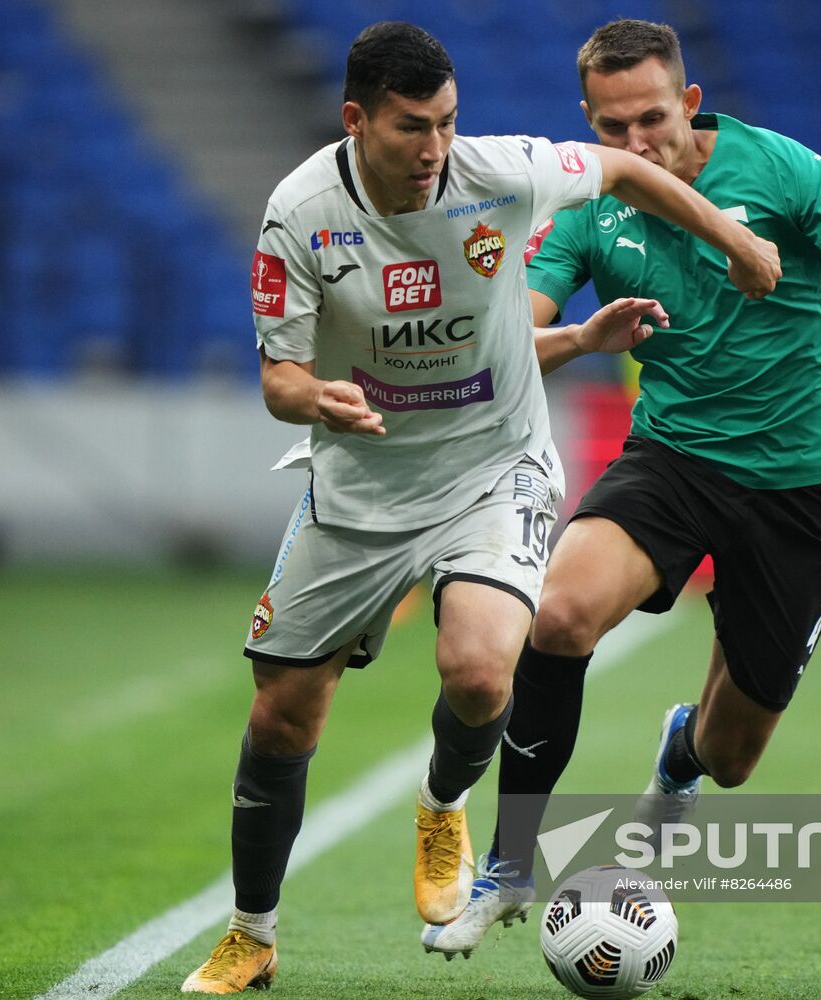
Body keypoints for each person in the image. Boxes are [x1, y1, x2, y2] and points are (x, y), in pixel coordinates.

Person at [421, 18, 821, 957]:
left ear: (688, 103)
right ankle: (510, 861)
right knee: (557, 614)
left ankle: (678, 753)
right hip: (674, 460)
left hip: (807, 489)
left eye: (651, 120)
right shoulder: (584, 207)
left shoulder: (783, 173)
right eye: (612, 130)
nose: (636, 146)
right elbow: (511, 339)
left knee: (730, 758)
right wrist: (577, 339)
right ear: (586, 123)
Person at [180, 20, 781, 994]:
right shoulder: (299, 213)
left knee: (476, 671)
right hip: (361, 482)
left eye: (446, 124)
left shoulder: (498, 171)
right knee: (284, 714)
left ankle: (442, 802)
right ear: (355, 120)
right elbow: (279, 377)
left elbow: (623, 174)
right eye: (412, 128)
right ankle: (252, 932)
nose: (433, 150)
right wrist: (314, 397)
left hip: (493, 470)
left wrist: (731, 236)